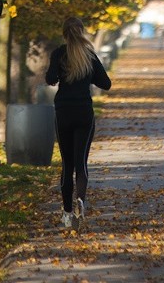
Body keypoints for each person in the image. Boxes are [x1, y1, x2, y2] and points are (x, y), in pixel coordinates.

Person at [45, 16, 112, 229]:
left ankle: (66, 213)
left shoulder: (58, 54)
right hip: (84, 111)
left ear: (64, 34)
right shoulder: (89, 55)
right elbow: (106, 83)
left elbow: (50, 78)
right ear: (82, 32)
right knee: (81, 162)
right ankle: (80, 201)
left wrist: (59, 76)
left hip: (64, 111)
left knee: (67, 164)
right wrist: (87, 76)